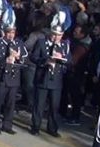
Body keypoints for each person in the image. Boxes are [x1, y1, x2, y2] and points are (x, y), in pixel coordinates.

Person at [30, 9, 72, 137]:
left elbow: (69, 60)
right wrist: (45, 61)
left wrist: (62, 59)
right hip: (43, 78)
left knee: (54, 106)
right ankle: (35, 126)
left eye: (58, 35)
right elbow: (33, 57)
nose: (56, 37)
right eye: (54, 34)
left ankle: (52, 128)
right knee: (39, 105)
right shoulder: (42, 43)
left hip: (56, 80)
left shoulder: (64, 46)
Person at [0, 7, 26, 134]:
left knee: (10, 104)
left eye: (13, 32)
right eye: (8, 32)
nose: (11, 35)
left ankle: (7, 125)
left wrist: (18, 57)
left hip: (14, 78)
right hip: (2, 77)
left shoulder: (18, 43)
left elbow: (25, 58)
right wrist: (5, 60)